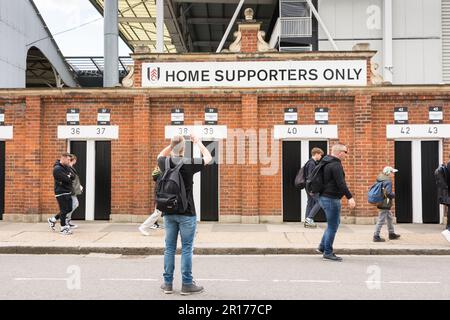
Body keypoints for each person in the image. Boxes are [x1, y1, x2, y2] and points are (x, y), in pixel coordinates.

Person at [158, 134, 212, 295]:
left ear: (172, 147)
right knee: (187, 248)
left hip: (168, 211)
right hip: (187, 212)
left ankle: (167, 283)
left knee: (169, 248)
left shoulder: (164, 162)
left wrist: (172, 145)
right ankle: (187, 284)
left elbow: (160, 154)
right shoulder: (188, 163)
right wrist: (198, 143)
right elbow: (208, 158)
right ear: (184, 149)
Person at [317, 143, 356, 262]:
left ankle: (322, 246)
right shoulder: (335, 165)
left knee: (333, 223)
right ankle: (328, 252)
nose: (346, 154)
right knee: (333, 226)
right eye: (345, 152)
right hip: (331, 199)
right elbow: (341, 183)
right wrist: (350, 197)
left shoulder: (325, 162)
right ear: (339, 152)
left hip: (324, 197)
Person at [48, 154, 82, 231]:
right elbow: (67, 179)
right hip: (61, 192)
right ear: (63, 159)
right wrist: (68, 177)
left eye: (70, 160)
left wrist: (69, 177)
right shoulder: (57, 169)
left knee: (69, 208)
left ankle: (53, 220)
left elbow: (72, 177)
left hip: (67, 191)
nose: (69, 161)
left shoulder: (66, 167)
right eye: (68, 160)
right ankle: (63, 227)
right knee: (64, 210)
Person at [373, 166, 401, 242]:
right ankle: (376, 235)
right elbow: (388, 193)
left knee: (389, 217)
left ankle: (391, 233)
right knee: (381, 219)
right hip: (385, 202)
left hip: (381, 201)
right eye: (392, 172)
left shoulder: (380, 179)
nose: (393, 174)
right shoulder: (388, 181)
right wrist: (394, 195)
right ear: (388, 173)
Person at [139, 166, 164, 236]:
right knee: (157, 213)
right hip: (162, 198)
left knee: (161, 213)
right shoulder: (162, 175)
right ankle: (143, 227)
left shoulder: (160, 174)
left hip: (161, 197)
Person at [304, 148, 324, 228]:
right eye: (320, 155)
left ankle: (307, 221)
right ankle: (309, 218)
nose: (321, 156)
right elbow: (310, 177)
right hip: (311, 187)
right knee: (320, 202)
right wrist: (312, 189)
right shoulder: (311, 163)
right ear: (316, 154)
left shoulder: (310, 162)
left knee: (310, 203)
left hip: (308, 186)